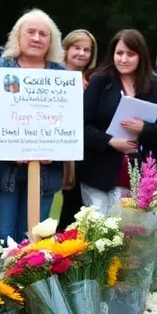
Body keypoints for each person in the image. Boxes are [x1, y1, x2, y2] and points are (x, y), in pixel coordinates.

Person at [0, 9, 67, 243]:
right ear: (18, 35)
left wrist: (56, 152)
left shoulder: (62, 75)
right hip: (3, 173)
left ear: (52, 40)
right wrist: (8, 147)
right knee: (2, 237)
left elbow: (70, 122)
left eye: (43, 34)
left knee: (35, 239)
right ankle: (1, 281)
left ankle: (30, 281)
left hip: (46, 174)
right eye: (31, 32)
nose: (36, 38)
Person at [82, 29, 157, 207]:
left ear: (141, 56)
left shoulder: (155, 86)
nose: (123, 59)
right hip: (99, 173)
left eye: (130, 54)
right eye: (119, 53)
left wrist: (144, 128)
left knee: (134, 232)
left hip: (142, 175)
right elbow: (82, 126)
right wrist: (110, 141)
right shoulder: (99, 82)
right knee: (101, 229)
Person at [57, 29, 99, 229]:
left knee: (75, 210)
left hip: (82, 154)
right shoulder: (51, 75)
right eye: (77, 48)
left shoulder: (91, 83)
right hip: (55, 151)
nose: (82, 54)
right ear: (66, 49)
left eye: (87, 50)